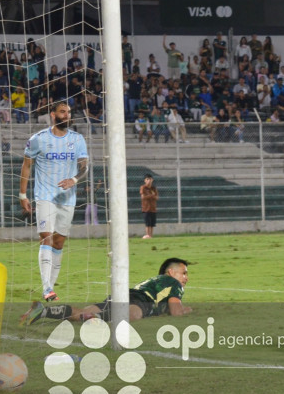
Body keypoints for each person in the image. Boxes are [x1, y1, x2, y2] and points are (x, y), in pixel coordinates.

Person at [19, 101, 89, 303]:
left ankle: (51, 288)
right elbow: (26, 166)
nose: (66, 115)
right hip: (44, 196)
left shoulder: (77, 139)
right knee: (46, 238)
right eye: (62, 112)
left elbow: (84, 167)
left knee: (59, 242)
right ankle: (47, 289)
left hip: (67, 198)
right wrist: (22, 195)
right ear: (53, 115)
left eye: (68, 112)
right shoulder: (38, 139)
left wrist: (74, 180)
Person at [21, 258, 192, 324]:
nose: (186, 278)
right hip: (140, 300)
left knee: (84, 312)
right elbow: (176, 312)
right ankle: (95, 319)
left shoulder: (156, 281)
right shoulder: (172, 283)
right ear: (171, 272)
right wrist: (185, 310)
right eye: (183, 272)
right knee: (134, 314)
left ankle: (44, 311)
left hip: (125, 294)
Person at [140, 174, 158, 239]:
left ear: (152, 180)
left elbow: (156, 197)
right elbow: (143, 197)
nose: (149, 181)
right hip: (146, 208)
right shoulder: (143, 188)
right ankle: (148, 235)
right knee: (148, 224)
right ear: (145, 180)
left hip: (153, 208)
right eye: (147, 179)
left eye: (150, 179)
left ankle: (151, 235)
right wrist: (151, 195)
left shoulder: (154, 188)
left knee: (152, 224)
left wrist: (152, 196)